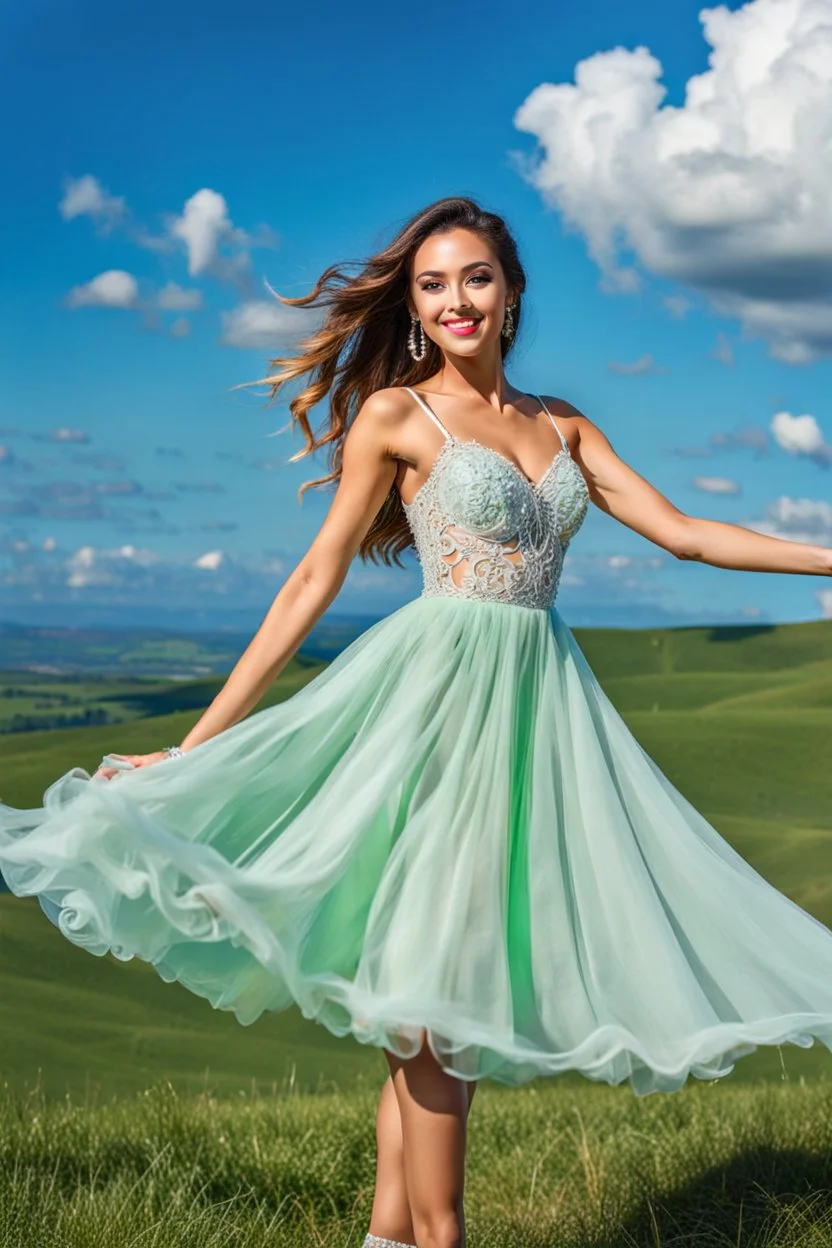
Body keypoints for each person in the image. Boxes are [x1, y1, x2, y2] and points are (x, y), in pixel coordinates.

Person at [2, 195, 832, 1248]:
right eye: (433, 284)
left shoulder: (563, 423)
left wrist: (824, 556)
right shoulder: (398, 417)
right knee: (435, 1004)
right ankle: (441, 1240)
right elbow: (313, 578)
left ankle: (394, 1241)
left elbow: (686, 535)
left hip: (535, 720)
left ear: (512, 293)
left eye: (475, 278)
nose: (455, 301)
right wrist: (193, 746)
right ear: (412, 304)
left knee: (437, 998)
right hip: (430, 713)